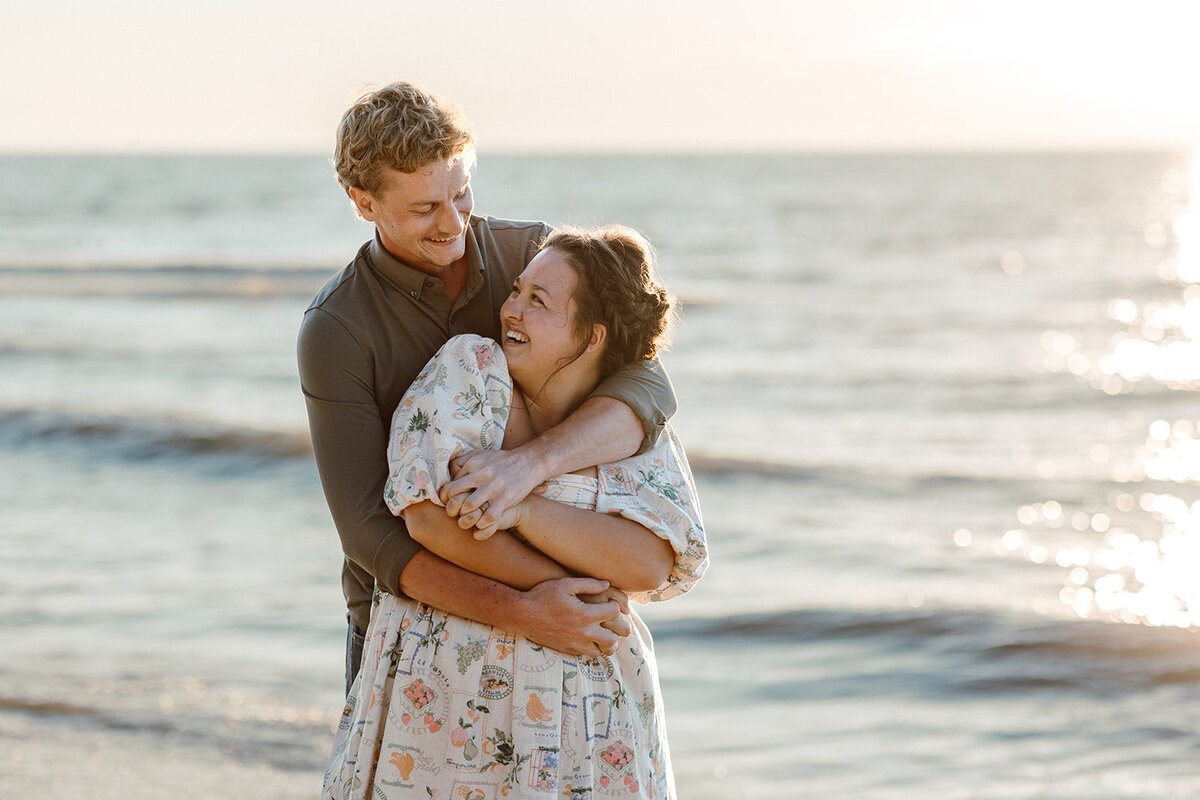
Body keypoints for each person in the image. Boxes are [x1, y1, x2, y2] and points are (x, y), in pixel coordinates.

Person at [297, 82, 679, 694]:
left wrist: (530, 467)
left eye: (461, 192)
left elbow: (647, 383)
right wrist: (527, 606)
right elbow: (367, 529)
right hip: (411, 629)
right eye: (425, 209)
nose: (455, 224)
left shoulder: (534, 256)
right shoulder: (336, 330)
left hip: (565, 614)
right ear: (363, 202)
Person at [323, 225, 707, 799]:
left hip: (585, 711)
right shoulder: (471, 370)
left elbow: (650, 563)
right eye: (517, 290)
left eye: (538, 300)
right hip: (448, 706)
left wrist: (522, 510)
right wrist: (548, 596)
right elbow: (426, 518)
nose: (511, 308)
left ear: (593, 336)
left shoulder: (628, 426)